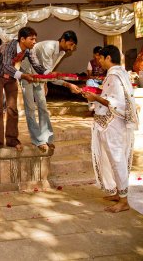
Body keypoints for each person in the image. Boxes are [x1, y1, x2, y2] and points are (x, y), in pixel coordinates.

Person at [79, 45, 138, 213]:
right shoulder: (119, 73)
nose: (99, 62)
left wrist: (94, 97)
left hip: (114, 124)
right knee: (113, 159)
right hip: (113, 123)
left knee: (117, 159)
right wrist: (94, 95)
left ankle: (124, 200)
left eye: (101, 59)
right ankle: (119, 193)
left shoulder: (115, 75)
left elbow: (115, 102)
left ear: (108, 58)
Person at [0, 27, 51, 152]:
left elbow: (36, 65)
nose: (34, 42)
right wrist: (22, 76)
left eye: (35, 39)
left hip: (12, 76)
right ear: (22, 39)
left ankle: (12, 140)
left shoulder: (29, 49)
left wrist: (49, 73)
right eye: (31, 39)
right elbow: (6, 66)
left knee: (12, 109)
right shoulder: (8, 47)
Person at [20, 31, 79, 151]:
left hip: (40, 77)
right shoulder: (48, 48)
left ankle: (47, 138)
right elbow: (48, 74)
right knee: (30, 107)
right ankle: (38, 140)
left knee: (43, 106)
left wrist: (46, 82)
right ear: (63, 40)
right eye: (71, 44)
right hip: (27, 74)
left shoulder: (62, 52)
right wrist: (68, 85)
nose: (71, 48)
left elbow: (48, 71)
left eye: (73, 46)